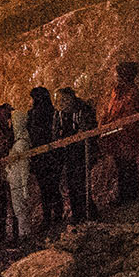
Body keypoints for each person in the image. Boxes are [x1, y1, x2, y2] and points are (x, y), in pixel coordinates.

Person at [101, 62, 139, 207]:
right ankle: (123, 195)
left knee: (128, 165)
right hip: (115, 135)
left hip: (127, 134)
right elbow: (110, 111)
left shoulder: (132, 93)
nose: (115, 76)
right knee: (120, 165)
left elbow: (129, 114)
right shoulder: (117, 91)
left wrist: (115, 126)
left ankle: (130, 196)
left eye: (117, 73)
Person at [55, 85, 98, 220]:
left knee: (81, 183)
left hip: (82, 151)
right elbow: (56, 131)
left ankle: (89, 212)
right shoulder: (60, 114)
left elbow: (90, 126)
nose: (61, 103)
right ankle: (77, 214)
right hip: (69, 153)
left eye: (64, 100)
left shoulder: (83, 110)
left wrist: (82, 134)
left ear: (71, 98)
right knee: (71, 184)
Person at [25, 85, 62, 229]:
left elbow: (34, 134)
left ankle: (49, 217)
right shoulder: (51, 113)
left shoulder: (36, 115)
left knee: (47, 188)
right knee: (51, 187)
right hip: (49, 156)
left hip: (43, 156)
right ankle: (55, 215)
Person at [4, 103, 40, 242]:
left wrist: (24, 185)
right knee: (18, 208)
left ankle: (25, 234)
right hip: (16, 179)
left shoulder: (21, 144)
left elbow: (24, 165)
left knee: (20, 208)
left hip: (19, 180)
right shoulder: (20, 142)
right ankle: (23, 233)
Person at [0, 101, 24, 244]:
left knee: (15, 202)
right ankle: (2, 233)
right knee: (1, 204)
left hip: (13, 170)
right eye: (2, 115)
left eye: (7, 115)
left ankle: (17, 233)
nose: (5, 118)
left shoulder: (16, 131)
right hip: (0, 171)